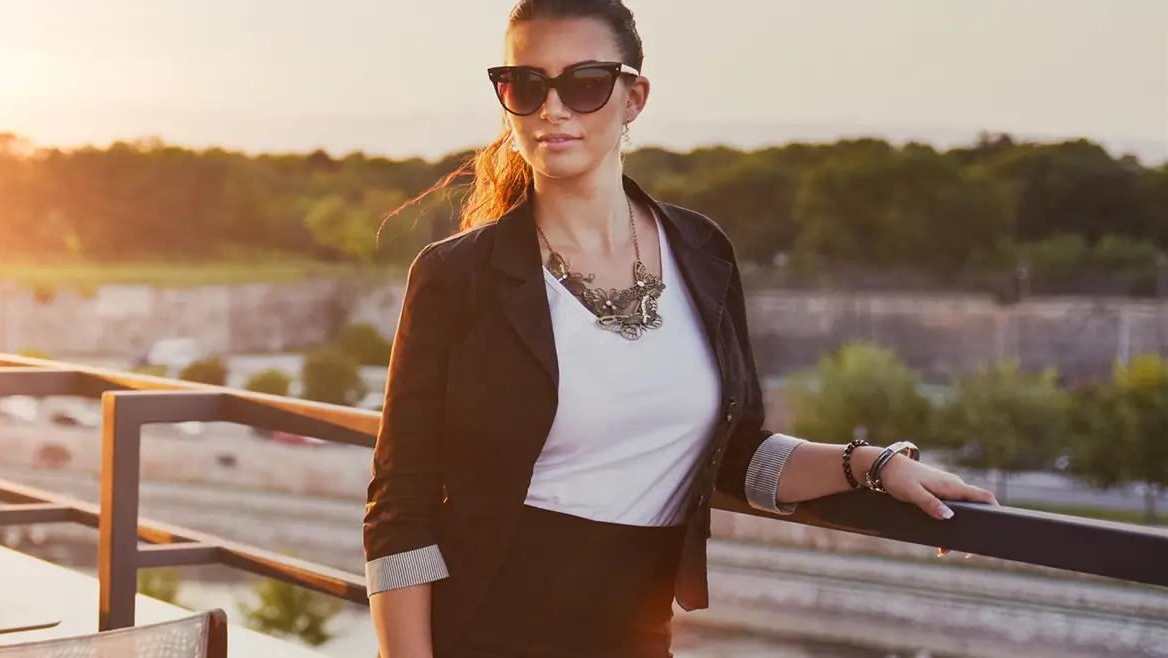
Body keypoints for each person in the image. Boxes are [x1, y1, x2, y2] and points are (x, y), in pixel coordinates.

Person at [362, 1, 999, 656]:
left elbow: (732, 451)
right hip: (484, 634)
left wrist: (867, 464)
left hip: (638, 635)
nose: (551, 109)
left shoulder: (702, 251)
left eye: (583, 84)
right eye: (525, 85)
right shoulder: (454, 277)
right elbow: (399, 508)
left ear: (633, 97)